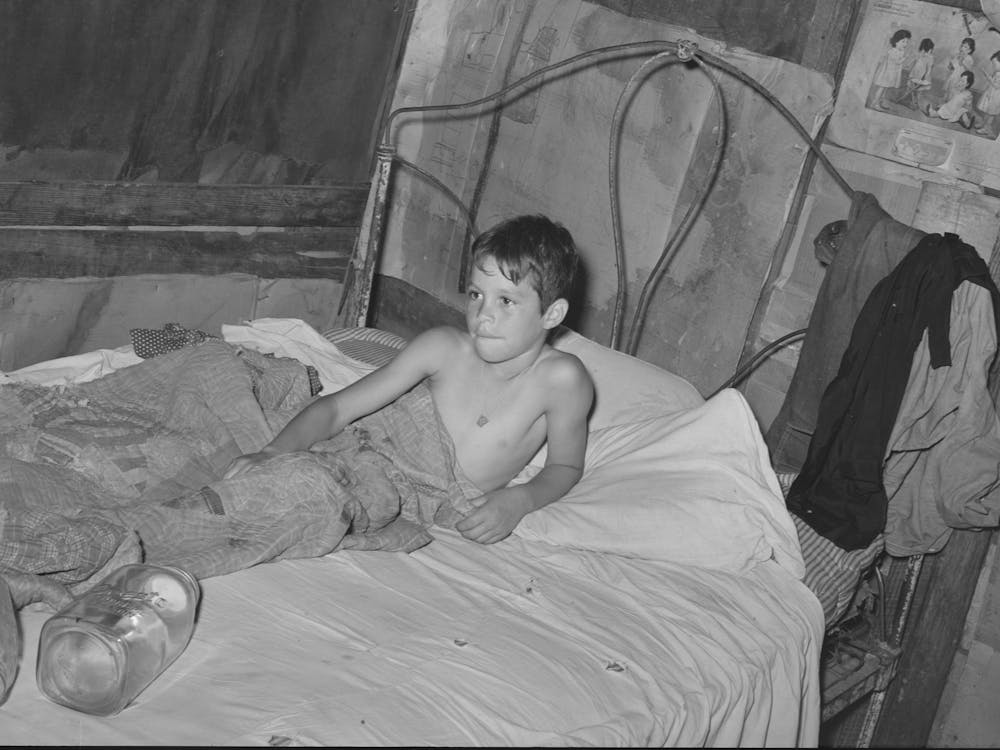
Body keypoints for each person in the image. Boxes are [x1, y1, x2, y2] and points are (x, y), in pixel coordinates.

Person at [225, 214, 595, 545]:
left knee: (305, 505)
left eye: (506, 302)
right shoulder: (442, 349)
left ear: (552, 313)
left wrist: (519, 500)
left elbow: (565, 467)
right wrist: (274, 451)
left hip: (417, 494)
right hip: (368, 451)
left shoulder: (562, 381)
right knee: (239, 455)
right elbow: (338, 409)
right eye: (476, 295)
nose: (482, 316)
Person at [871, 28, 911, 111]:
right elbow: (897, 62)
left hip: (892, 73)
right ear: (896, 41)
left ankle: (880, 102)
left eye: (906, 42)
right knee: (882, 88)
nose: (905, 44)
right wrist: (905, 58)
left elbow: (899, 64)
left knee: (885, 89)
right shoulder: (892, 51)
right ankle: (874, 103)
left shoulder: (901, 51)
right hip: (887, 73)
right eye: (903, 41)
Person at [898, 37, 935, 110]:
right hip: (913, 74)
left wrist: (925, 78)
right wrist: (908, 65)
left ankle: (914, 103)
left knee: (917, 91)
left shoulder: (930, 58)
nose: (929, 51)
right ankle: (906, 100)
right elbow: (913, 61)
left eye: (930, 50)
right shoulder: (919, 54)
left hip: (921, 77)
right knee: (910, 89)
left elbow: (929, 70)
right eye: (928, 49)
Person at [976, 50, 1000, 136]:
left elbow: (996, 86)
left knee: (990, 114)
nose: (993, 66)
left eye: (995, 64)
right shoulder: (997, 72)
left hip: (996, 97)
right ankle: (983, 124)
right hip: (991, 94)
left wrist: (987, 76)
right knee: (987, 112)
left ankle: (986, 128)